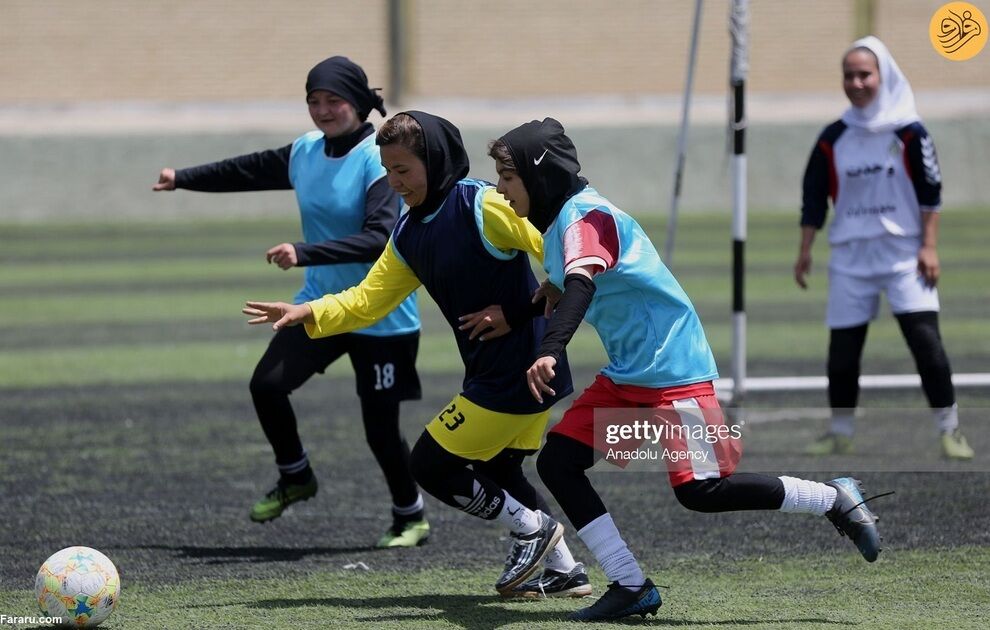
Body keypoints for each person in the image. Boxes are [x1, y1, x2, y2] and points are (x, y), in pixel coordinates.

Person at [490, 118, 889, 622]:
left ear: (539, 175)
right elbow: (564, 283)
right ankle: (630, 584)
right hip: (632, 376)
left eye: (507, 175)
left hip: (674, 375)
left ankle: (832, 498)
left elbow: (582, 286)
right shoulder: (562, 221)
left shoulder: (585, 218)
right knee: (558, 462)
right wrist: (521, 312)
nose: (500, 188)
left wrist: (549, 348)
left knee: (702, 491)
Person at [242, 111, 590, 597]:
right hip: (500, 372)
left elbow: (558, 249)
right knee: (497, 470)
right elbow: (367, 301)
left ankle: (532, 530)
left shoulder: (482, 205)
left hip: (523, 368)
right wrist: (309, 312)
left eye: (403, 169)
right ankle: (565, 569)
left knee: (429, 463)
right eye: (387, 170)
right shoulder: (407, 234)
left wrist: (513, 311)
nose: (394, 181)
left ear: (433, 159)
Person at [153, 56, 430, 547]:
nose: (323, 110)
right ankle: (296, 475)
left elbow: (381, 236)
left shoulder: (375, 156)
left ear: (359, 102)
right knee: (267, 385)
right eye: (313, 101)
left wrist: (304, 252)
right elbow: (248, 169)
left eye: (333, 100)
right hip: (318, 305)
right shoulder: (306, 151)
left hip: (380, 313)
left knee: (380, 429)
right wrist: (183, 177)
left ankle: (410, 516)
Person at [795, 37, 974, 460]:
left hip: (904, 257)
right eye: (849, 75)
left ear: (884, 76)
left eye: (865, 74)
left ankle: (950, 431)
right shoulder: (833, 137)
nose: (856, 83)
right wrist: (805, 250)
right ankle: (840, 432)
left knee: (926, 343)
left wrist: (929, 246)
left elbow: (932, 191)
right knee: (842, 353)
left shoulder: (910, 131)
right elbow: (814, 196)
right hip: (850, 259)